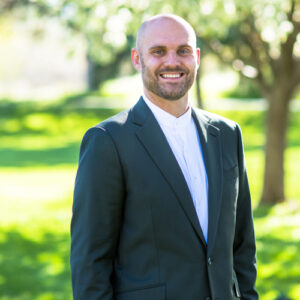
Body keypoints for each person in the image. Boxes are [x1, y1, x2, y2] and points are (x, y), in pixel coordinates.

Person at [71, 14, 258, 300]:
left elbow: (243, 246)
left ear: (196, 57)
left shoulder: (228, 135)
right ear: (137, 59)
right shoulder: (107, 142)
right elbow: (90, 264)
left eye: (183, 50)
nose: (172, 61)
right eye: (158, 51)